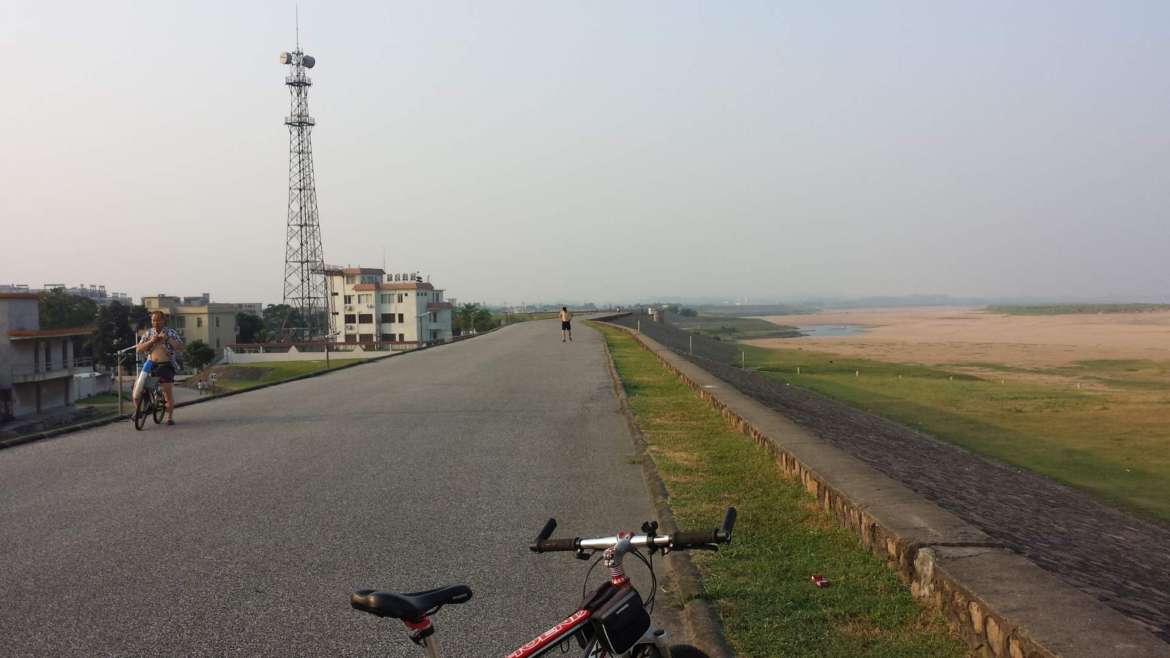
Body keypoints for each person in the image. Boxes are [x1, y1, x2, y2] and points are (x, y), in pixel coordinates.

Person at [135, 310, 184, 425]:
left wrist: (167, 339)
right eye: (153, 320)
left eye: (158, 320)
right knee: (138, 387)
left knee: (167, 391)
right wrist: (152, 341)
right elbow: (139, 348)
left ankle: (170, 417)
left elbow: (180, 346)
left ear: (164, 321)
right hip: (150, 364)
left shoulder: (170, 332)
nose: (156, 322)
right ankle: (140, 412)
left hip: (166, 365)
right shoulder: (148, 334)